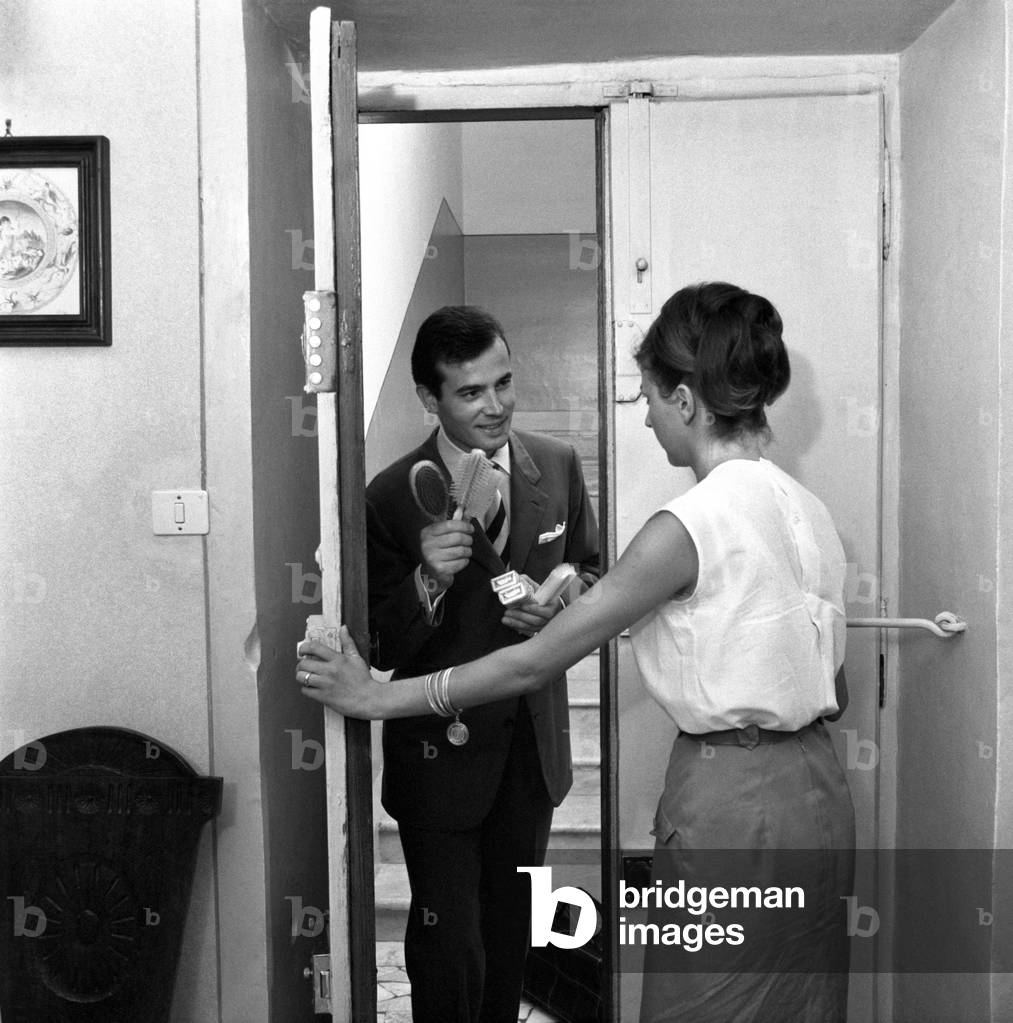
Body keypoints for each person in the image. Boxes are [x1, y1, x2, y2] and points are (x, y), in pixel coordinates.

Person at [299, 283, 855, 1022]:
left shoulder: (687, 521)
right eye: (471, 390)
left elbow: (535, 662)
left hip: (732, 801)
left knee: (704, 1003)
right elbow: (835, 689)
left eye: (649, 396)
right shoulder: (806, 510)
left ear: (686, 401)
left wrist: (372, 697)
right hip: (815, 792)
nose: (645, 412)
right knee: (797, 1000)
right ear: (431, 399)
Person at [352, 305, 600, 1023]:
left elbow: (587, 565)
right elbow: (377, 649)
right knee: (447, 945)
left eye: (503, 383)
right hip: (441, 758)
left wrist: (562, 601)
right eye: (470, 392)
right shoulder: (389, 496)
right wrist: (426, 581)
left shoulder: (555, 465)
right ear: (428, 399)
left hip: (529, 747)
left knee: (510, 937)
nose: (495, 406)